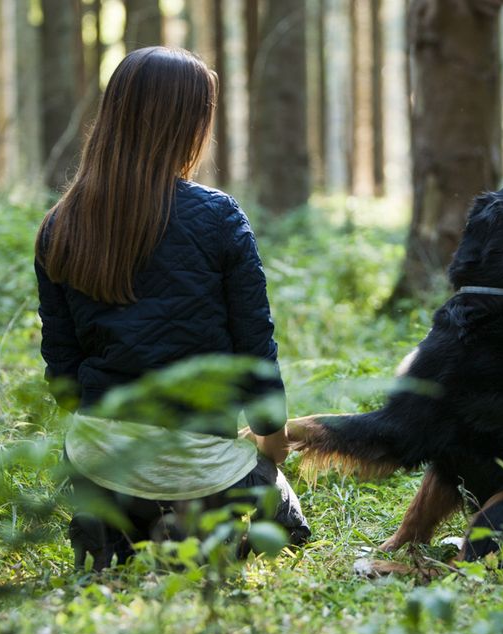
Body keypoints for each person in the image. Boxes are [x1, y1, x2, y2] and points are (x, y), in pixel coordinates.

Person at [34, 47, 309, 570]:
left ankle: (111, 537)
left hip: (100, 468)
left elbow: (64, 377)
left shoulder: (59, 225)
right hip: (200, 472)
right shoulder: (219, 217)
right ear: (187, 126)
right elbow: (256, 354)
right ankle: (225, 525)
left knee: (107, 570)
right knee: (242, 526)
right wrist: (271, 450)